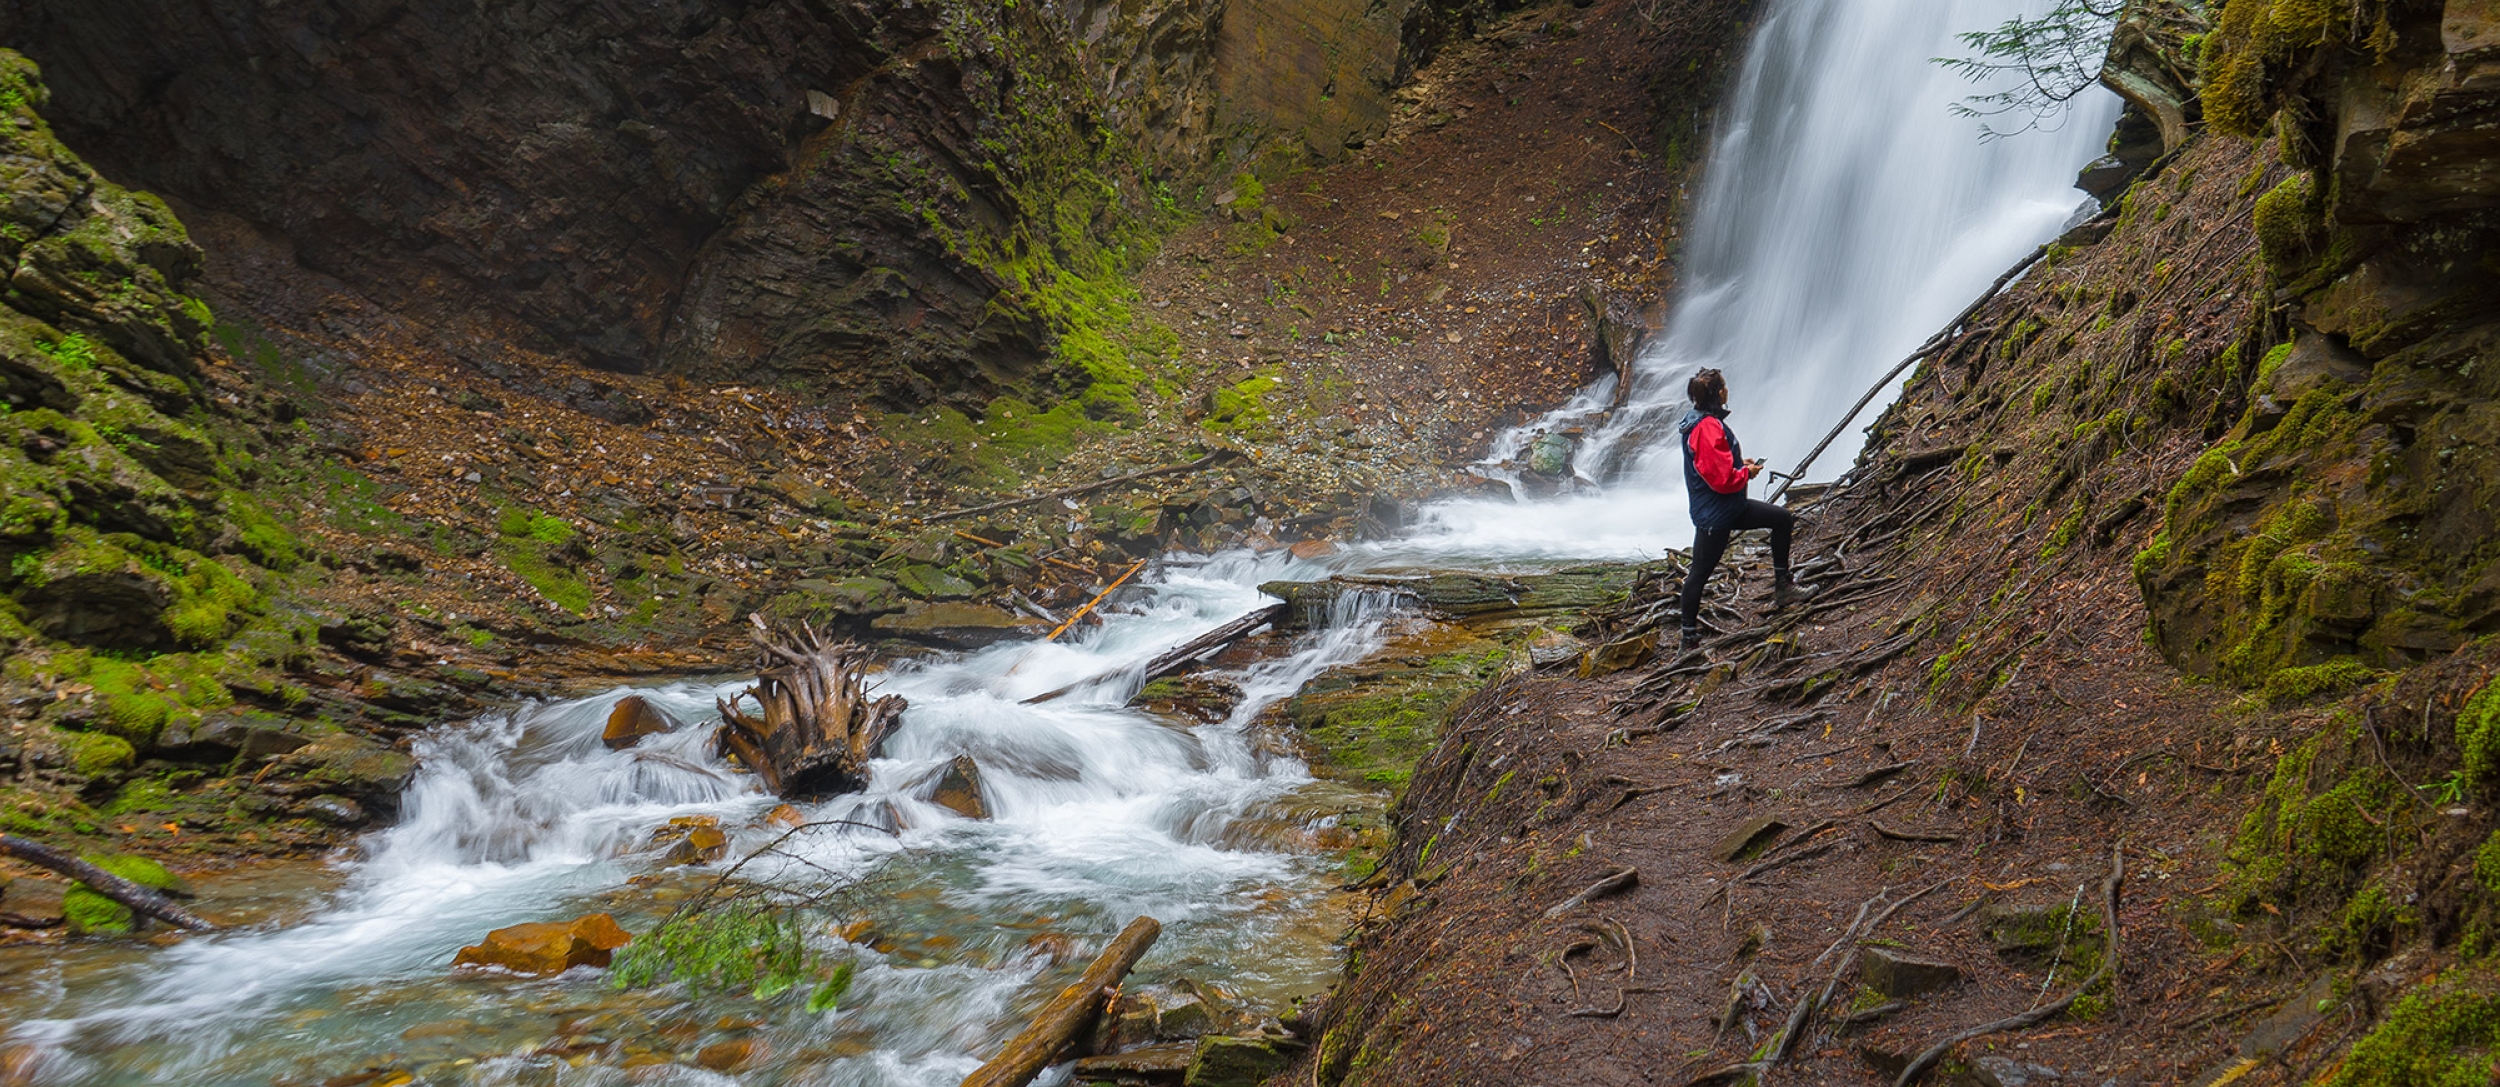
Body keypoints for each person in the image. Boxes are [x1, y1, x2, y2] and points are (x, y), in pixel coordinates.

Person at [1676, 367, 1810, 654]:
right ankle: (1688, 639)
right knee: (1699, 573)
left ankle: (1783, 587)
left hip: (1726, 508)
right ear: (1718, 393)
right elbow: (1721, 479)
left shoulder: (1700, 421)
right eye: (1724, 386)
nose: (1727, 390)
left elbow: (1715, 464)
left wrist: (1739, 462)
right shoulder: (1707, 427)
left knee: (1782, 520)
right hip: (1717, 514)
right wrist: (1745, 473)